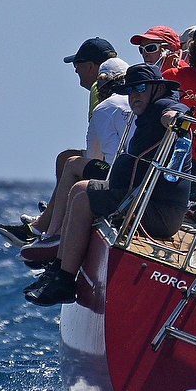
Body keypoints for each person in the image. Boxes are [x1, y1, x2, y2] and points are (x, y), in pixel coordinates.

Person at [28, 63, 192, 305]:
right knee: (79, 188)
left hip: (157, 212)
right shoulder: (145, 112)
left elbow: (176, 112)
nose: (134, 95)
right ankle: (57, 271)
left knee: (84, 197)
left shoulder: (162, 107)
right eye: (130, 90)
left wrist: (175, 120)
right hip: (135, 198)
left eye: (141, 88)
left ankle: (65, 281)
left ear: (157, 88)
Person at [0, 37, 117, 246]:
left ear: (91, 67)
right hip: (119, 161)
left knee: (71, 163)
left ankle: (47, 230)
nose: (75, 71)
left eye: (77, 64)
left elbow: (96, 150)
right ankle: (53, 216)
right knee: (65, 158)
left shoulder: (100, 90)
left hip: (116, 169)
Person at [23, 56, 132, 263]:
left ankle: (54, 234)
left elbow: (93, 156)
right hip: (140, 172)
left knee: (73, 163)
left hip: (117, 176)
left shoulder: (103, 108)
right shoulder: (138, 101)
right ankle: (46, 225)